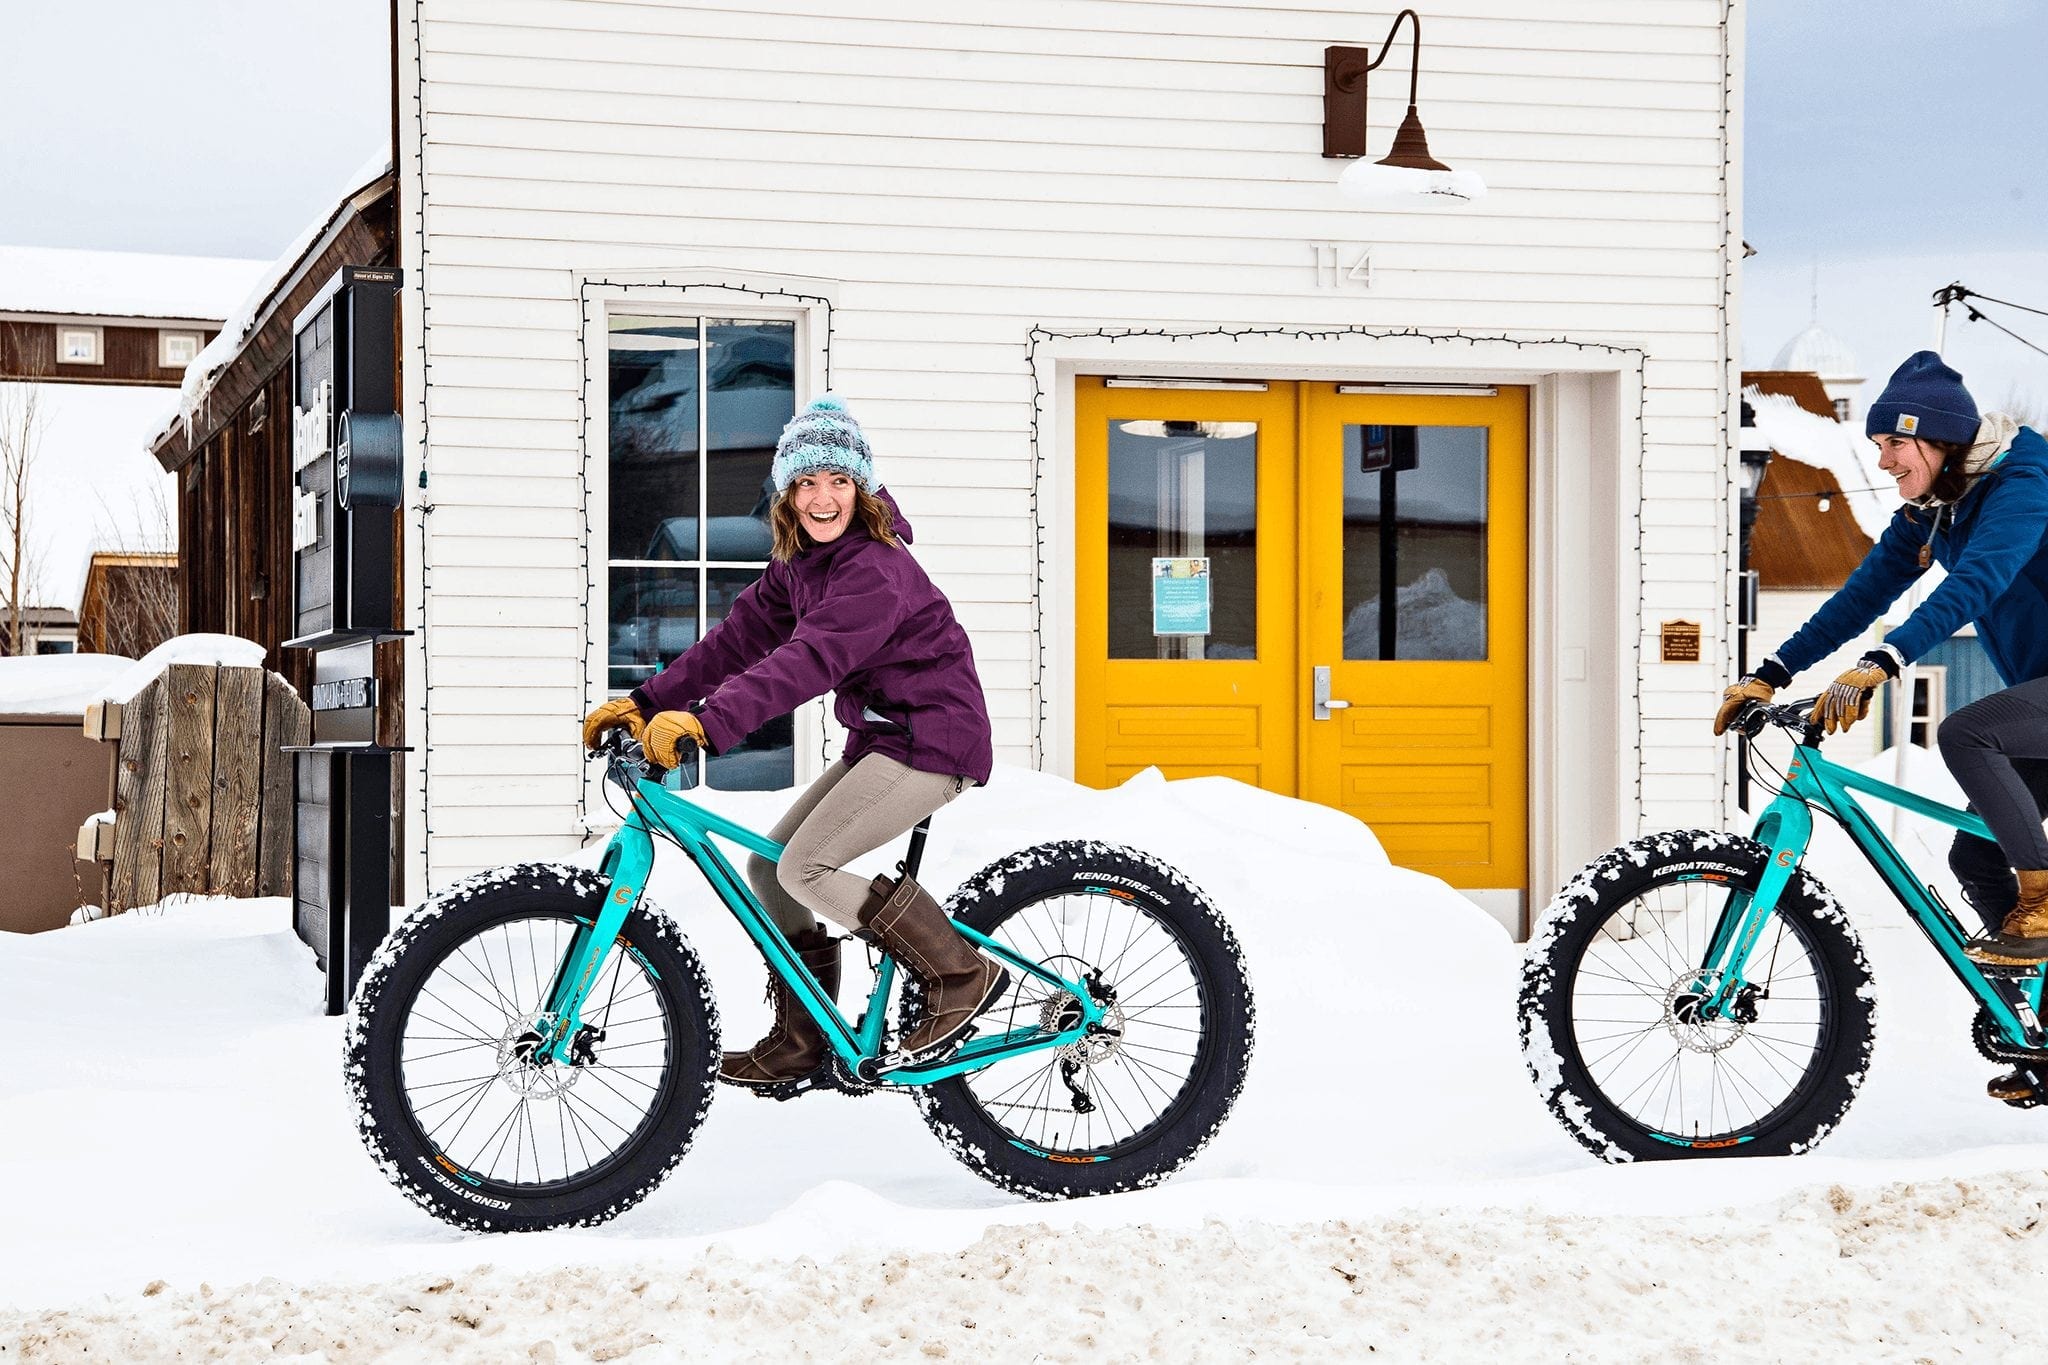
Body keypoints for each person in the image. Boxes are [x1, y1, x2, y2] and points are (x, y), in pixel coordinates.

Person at [581, 395, 1005, 1087]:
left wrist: (709, 723)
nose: (822, 496)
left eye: (838, 480)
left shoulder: (874, 568)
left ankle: (960, 971)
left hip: (934, 740)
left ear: (860, 488)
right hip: (885, 738)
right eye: (806, 482)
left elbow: (809, 659)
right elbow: (739, 640)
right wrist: (645, 701)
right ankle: (804, 1036)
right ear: (786, 494)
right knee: (767, 869)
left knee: (804, 868)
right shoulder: (801, 564)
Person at [1712, 352, 2048, 1100]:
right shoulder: (1937, 506)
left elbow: (1980, 578)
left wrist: (1888, 659)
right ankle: (2043, 1038)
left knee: (1967, 733)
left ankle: (2044, 900)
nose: (1882, 459)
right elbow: (1862, 592)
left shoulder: (2024, 481)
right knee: (1978, 861)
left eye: (1892, 445)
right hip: (2040, 696)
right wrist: (1772, 669)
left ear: (1934, 438)